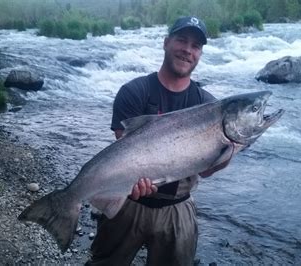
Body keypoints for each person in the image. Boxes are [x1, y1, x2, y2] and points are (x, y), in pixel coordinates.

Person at [86, 16, 232, 266]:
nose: (187, 49)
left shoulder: (209, 106)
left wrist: (230, 148)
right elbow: (124, 153)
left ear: (200, 54)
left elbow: (206, 172)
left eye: (196, 45)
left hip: (178, 208)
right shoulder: (134, 91)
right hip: (128, 202)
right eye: (181, 40)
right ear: (166, 43)